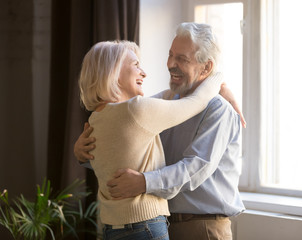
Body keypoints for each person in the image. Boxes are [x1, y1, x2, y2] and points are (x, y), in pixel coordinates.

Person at [75, 22, 246, 240]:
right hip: (158, 223)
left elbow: (195, 167)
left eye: (182, 59)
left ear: (206, 68)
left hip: (202, 228)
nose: (171, 64)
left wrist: (145, 182)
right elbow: (126, 152)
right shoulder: (158, 104)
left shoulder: (218, 109)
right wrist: (84, 154)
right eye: (170, 55)